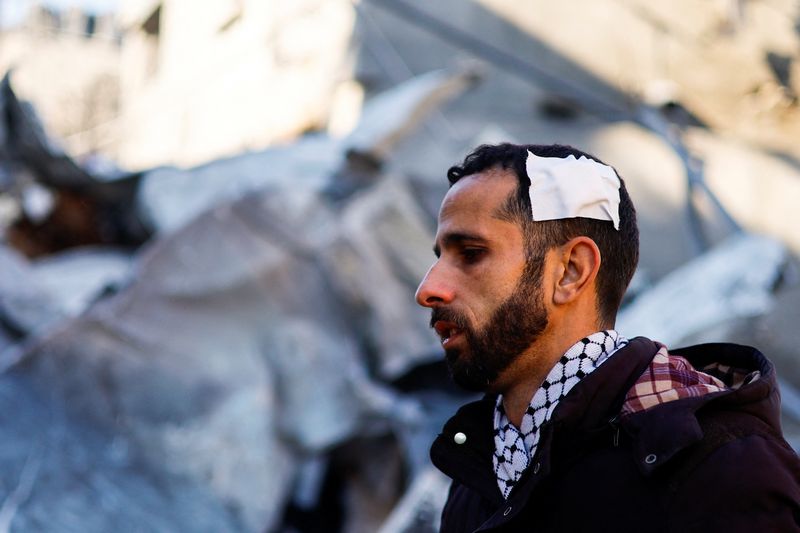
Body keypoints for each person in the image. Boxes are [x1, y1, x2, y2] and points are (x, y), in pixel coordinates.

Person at [415, 142, 800, 532]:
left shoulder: (721, 472)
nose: (428, 289)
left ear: (570, 272)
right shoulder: (475, 476)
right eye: (439, 257)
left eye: (471, 253)